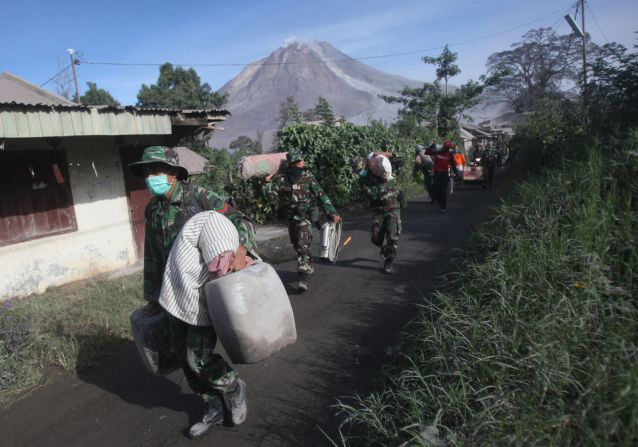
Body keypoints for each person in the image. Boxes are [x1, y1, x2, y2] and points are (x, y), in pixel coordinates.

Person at [128, 146, 258, 439]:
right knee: (180, 354)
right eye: (147, 172)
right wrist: (153, 296)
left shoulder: (200, 197)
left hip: (205, 290)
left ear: (173, 173)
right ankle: (211, 407)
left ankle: (233, 385)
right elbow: (154, 255)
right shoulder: (154, 209)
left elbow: (241, 221)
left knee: (196, 356)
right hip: (174, 294)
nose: (151, 177)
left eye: (156, 171)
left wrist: (241, 249)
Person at [262, 149, 341, 292]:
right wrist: (267, 184)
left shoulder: (308, 176)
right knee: (296, 245)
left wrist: (332, 213)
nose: (303, 162)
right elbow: (272, 198)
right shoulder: (281, 179)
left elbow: (321, 195)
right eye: (299, 160)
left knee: (302, 246)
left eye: (302, 159)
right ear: (292, 163)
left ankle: (302, 277)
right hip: (291, 218)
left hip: (305, 218)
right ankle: (307, 265)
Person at [353, 151, 402, 274]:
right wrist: (367, 189)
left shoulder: (383, 163)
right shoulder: (365, 175)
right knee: (376, 238)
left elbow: (401, 157)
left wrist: (390, 154)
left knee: (392, 235)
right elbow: (366, 190)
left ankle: (389, 262)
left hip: (392, 206)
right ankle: (384, 248)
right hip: (378, 209)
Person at [426, 140, 458, 213]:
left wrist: (456, 173)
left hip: (444, 174)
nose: (446, 149)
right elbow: (427, 152)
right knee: (435, 189)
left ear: (449, 148)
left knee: (443, 191)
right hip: (437, 174)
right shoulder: (437, 152)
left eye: (448, 147)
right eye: (445, 147)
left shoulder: (450, 155)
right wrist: (432, 145)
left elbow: (453, 165)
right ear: (443, 146)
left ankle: (443, 207)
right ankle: (440, 201)